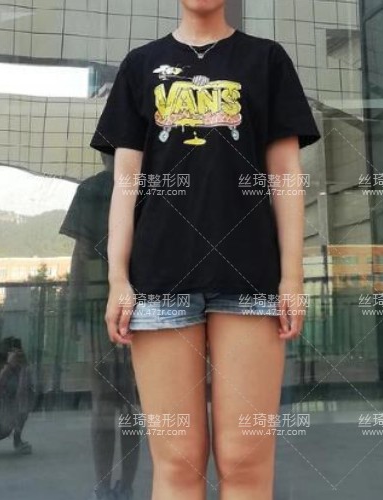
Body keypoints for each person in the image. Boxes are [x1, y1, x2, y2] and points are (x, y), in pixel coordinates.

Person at [89, 1, 321, 498]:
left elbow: (285, 175)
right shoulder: (140, 65)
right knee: (177, 462)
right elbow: (126, 181)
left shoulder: (267, 60)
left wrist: (292, 277)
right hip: (158, 282)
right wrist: (117, 279)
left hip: (252, 279)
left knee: (245, 458)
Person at [59, 153, 140, 500]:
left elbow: (80, 256)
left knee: (103, 403)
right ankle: (126, 486)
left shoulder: (92, 189)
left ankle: (104, 486)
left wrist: (75, 310)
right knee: (130, 403)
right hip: (140, 307)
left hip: (100, 310)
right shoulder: (146, 185)